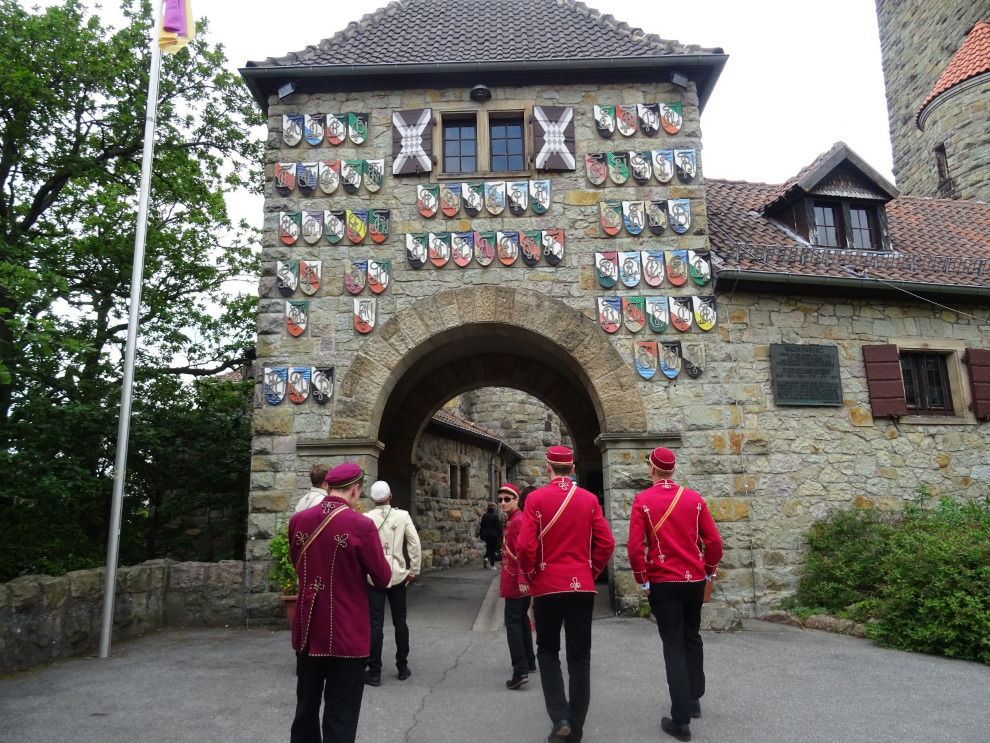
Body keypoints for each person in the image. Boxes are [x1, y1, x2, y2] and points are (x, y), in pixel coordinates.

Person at [517, 446, 615, 743]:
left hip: (548, 585)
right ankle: (576, 730)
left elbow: (525, 546)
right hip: (581, 585)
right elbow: (606, 543)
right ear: (572, 469)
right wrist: (591, 571)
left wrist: (531, 574)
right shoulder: (589, 499)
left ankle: (560, 716)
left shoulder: (535, 499)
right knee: (580, 658)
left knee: (547, 650)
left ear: (548, 468)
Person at [288, 463, 391, 743]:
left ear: (328, 486)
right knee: (341, 717)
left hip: (308, 630)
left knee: (305, 710)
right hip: (346, 633)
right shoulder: (362, 525)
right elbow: (382, 578)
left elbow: (298, 564)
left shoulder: (298, 520)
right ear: (356, 490)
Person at [627, 447, 722, 743]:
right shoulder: (694, 499)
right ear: (673, 469)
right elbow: (714, 542)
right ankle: (693, 699)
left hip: (663, 580)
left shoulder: (643, 500)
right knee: (691, 635)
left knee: (673, 645)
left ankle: (680, 720)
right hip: (693, 579)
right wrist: (709, 570)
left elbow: (634, 547)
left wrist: (642, 578)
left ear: (652, 469)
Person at [363, 480, 422, 686]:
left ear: (372, 500)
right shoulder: (402, 515)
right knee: (400, 621)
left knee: (375, 624)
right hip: (397, 574)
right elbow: (414, 543)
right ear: (390, 496)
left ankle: (374, 671)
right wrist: (413, 570)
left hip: (374, 575)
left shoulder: (366, 518)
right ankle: (402, 667)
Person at [497, 482, 536, 690]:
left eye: (507, 499)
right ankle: (529, 661)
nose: (503, 503)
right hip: (515, 578)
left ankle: (519, 670)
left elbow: (523, 552)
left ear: (517, 500)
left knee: (513, 623)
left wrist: (522, 578)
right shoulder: (513, 519)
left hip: (516, 580)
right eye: (500, 500)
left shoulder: (518, 521)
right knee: (521, 620)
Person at [478, 501, 502, 570]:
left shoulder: (484, 516)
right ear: (495, 508)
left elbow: (482, 526)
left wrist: (481, 534)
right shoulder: (495, 516)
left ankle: (486, 557)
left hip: (486, 534)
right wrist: (501, 534)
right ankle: (492, 565)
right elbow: (498, 526)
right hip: (494, 534)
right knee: (493, 549)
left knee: (488, 547)